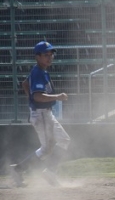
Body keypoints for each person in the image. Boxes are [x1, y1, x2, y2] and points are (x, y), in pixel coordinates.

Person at [10, 41, 71, 187]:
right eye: (46, 55)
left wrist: (31, 101)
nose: (50, 57)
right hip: (41, 114)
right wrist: (57, 97)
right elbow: (38, 96)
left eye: (51, 55)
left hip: (44, 113)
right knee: (47, 148)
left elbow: (25, 84)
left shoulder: (40, 71)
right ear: (37, 57)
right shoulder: (38, 72)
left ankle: (30, 170)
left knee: (63, 141)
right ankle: (21, 170)